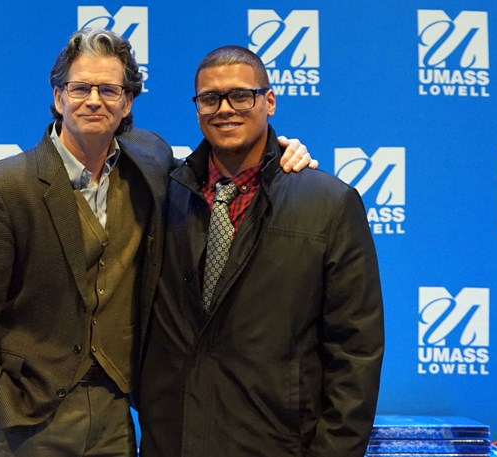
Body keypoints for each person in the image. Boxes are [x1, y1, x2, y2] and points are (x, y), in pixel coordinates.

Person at [0, 30, 314, 457]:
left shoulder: (150, 160)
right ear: (59, 97)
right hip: (30, 418)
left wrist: (281, 152)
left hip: (117, 414)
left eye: (109, 89)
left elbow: (215, 168)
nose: (94, 100)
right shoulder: (7, 186)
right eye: (80, 88)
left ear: (127, 102)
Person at [137, 45, 385, 457]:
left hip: (276, 443)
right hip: (173, 441)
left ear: (269, 101)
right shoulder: (166, 192)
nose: (225, 109)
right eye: (210, 98)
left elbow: (355, 351)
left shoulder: (329, 203)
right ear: (197, 108)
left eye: (241, 95)